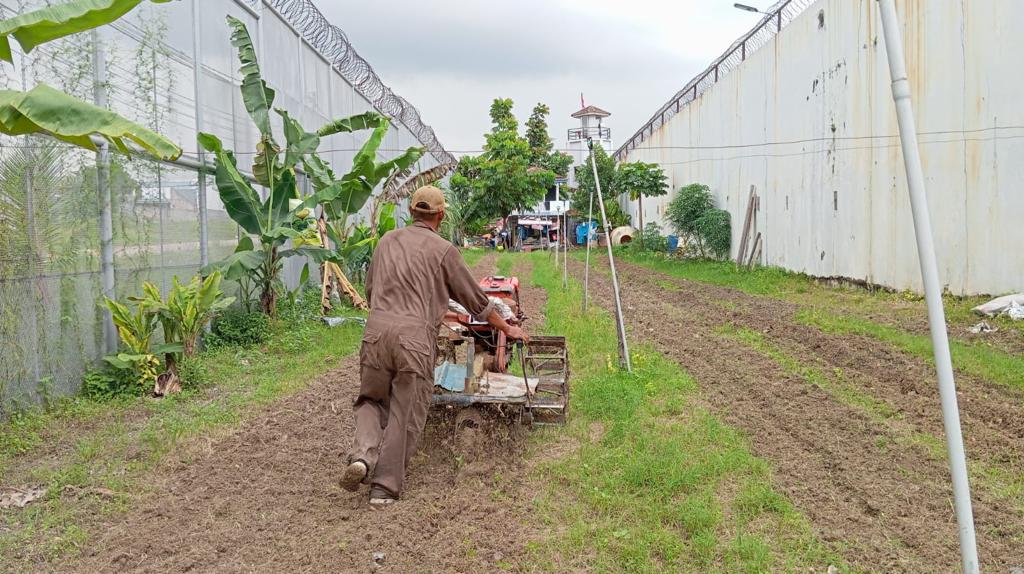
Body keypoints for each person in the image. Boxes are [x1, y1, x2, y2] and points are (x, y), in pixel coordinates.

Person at [338, 185, 529, 506]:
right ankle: (384, 487)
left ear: (411, 212)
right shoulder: (444, 251)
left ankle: (362, 457)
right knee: (405, 410)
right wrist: (508, 328)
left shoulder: (386, 242)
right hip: (413, 342)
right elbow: (478, 304)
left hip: (375, 333)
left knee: (370, 399)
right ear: (440, 215)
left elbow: (371, 291)